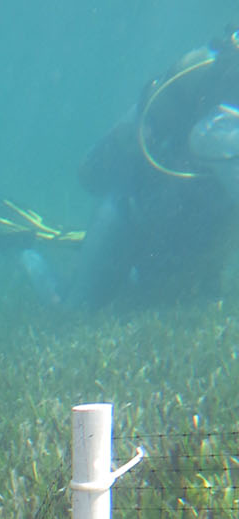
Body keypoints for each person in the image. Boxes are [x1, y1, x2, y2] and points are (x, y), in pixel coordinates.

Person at [21, 28, 239, 311]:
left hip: (187, 225)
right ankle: (23, 252)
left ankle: (132, 272)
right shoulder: (222, 83)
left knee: (160, 298)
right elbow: (207, 138)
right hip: (128, 211)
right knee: (73, 310)